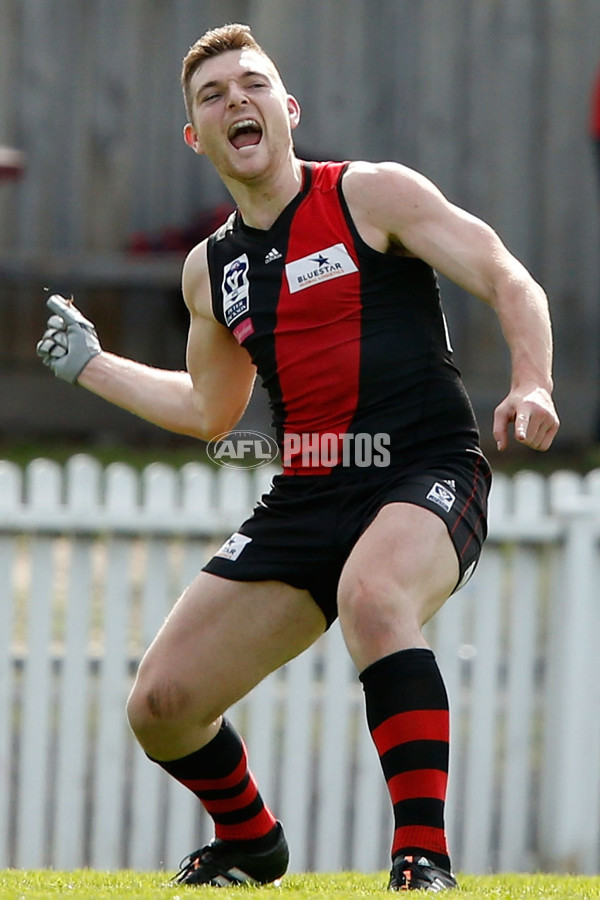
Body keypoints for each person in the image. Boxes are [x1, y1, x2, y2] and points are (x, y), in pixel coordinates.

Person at [36, 23, 559, 893]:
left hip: (424, 468)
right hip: (308, 495)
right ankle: (250, 842)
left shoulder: (372, 194)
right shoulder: (210, 271)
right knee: (160, 707)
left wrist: (534, 382)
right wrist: (92, 364)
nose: (235, 99)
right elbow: (212, 411)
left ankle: (421, 861)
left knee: (375, 595)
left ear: (288, 108)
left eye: (252, 84)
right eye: (212, 95)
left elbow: (509, 276)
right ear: (194, 137)